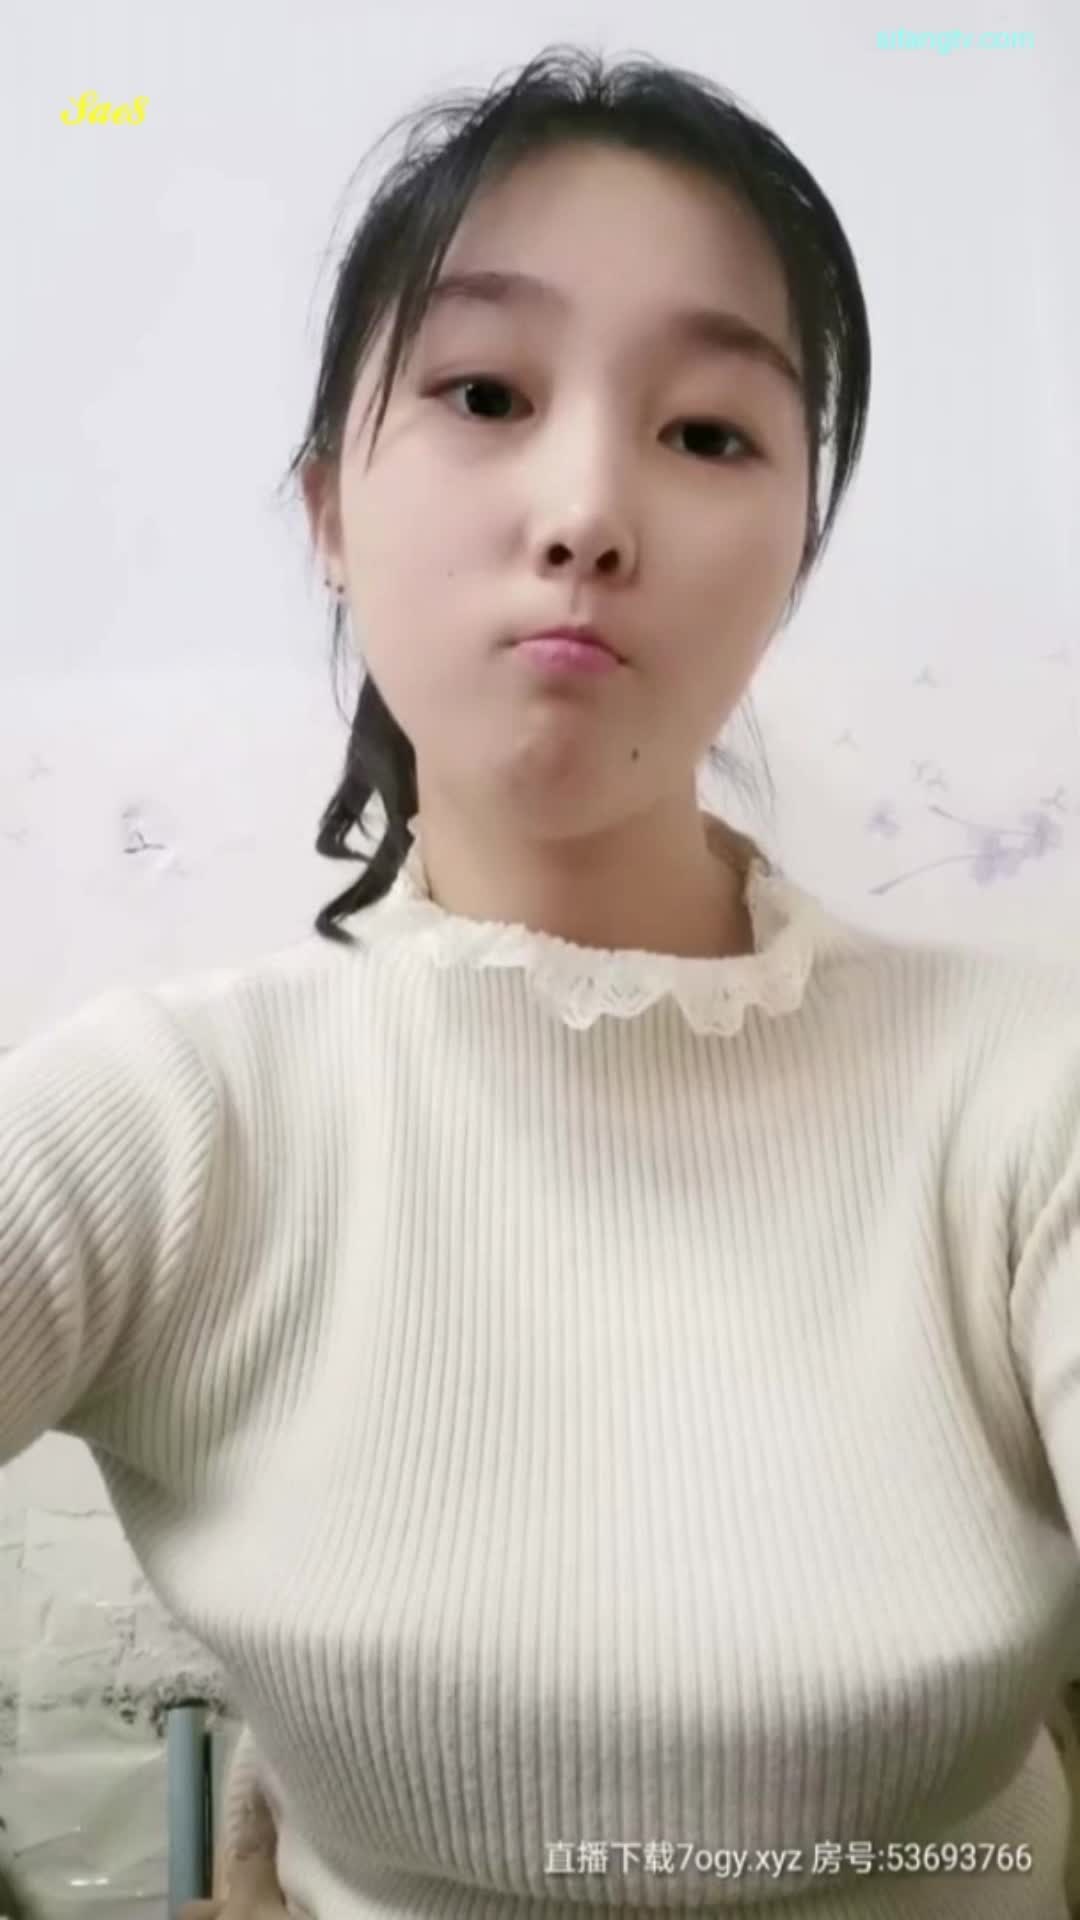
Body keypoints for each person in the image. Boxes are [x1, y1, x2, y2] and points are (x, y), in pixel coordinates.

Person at [2, 37, 1078, 1920]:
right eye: (486, 391)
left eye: (709, 433)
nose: (587, 512)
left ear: (792, 553)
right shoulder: (160, 1121)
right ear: (329, 513)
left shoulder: (1023, 1087)